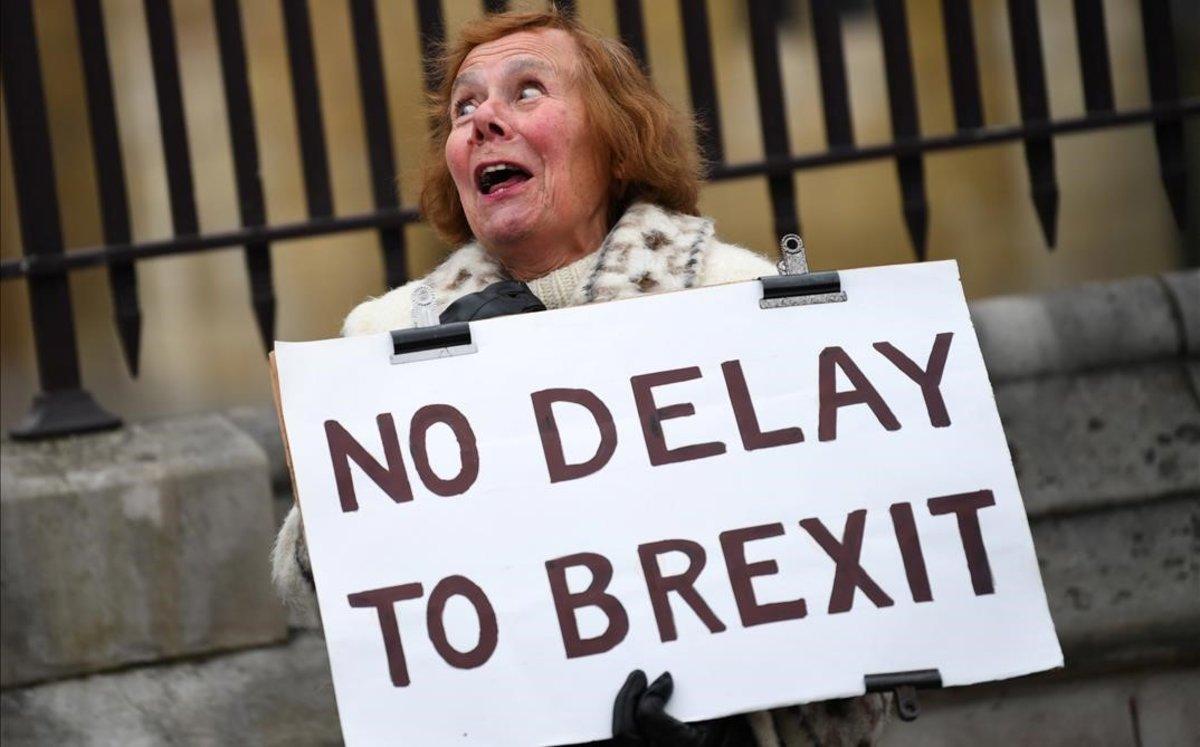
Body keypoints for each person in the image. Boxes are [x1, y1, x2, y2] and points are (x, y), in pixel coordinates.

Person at [272, 8, 890, 745]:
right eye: (463, 107)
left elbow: (846, 558)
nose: (482, 120)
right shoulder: (387, 334)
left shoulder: (730, 297)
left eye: (526, 91)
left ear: (617, 146)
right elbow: (314, 591)